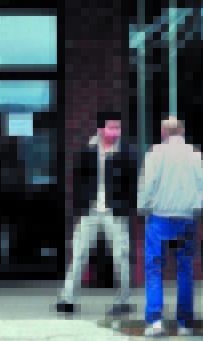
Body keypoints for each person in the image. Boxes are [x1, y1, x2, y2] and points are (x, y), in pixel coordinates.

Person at [56, 111, 139, 318]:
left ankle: (123, 300)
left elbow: (133, 184)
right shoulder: (87, 150)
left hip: (115, 210)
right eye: (111, 127)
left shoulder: (127, 152)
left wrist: (126, 208)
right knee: (79, 253)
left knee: (121, 256)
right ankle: (67, 299)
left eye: (118, 127)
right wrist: (80, 207)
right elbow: (78, 181)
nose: (115, 131)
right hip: (90, 210)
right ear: (100, 129)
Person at [137, 117, 203, 337]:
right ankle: (184, 324)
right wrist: (200, 211)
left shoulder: (154, 154)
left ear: (163, 132)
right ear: (183, 131)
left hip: (160, 219)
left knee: (154, 269)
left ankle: (156, 321)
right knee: (185, 270)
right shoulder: (195, 155)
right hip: (187, 219)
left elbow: (147, 186)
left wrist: (143, 208)